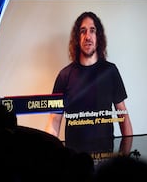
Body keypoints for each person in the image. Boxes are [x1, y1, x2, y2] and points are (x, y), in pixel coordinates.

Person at [45, 11, 133, 153]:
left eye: (92, 31)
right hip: (74, 160)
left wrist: (127, 156)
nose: (88, 36)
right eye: (82, 31)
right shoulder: (64, 76)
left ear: (98, 37)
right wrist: (49, 153)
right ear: (77, 38)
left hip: (106, 158)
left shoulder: (110, 72)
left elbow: (123, 115)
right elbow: (54, 121)